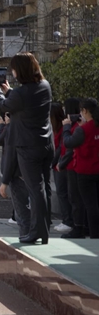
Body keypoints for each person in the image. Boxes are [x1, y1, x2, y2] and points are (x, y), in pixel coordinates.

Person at [0, 52, 54, 244]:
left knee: (35, 189)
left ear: (19, 71)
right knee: (44, 188)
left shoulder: (20, 93)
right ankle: (44, 230)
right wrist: (10, 92)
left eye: (13, 69)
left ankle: (36, 231)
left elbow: (4, 106)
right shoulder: (45, 86)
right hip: (46, 143)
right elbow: (24, 102)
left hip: (28, 147)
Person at [62, 98, 99, 239]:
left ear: (85, 111)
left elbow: (68, 142)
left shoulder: (83, 130)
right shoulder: (93, 127)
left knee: (89, 204)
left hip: (84, 171)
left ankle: (94, 233)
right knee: (95, 202)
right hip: (96, 168)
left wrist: (66, 128)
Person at [50, 103, 74, 234]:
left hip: (61, 164)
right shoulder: (56, 128)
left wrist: (54, 162)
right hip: (58, 164)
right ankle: (67, 219)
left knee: (63, 193)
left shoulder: (62, 129)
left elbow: (60, 148)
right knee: (62, 193)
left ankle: (68, 220)